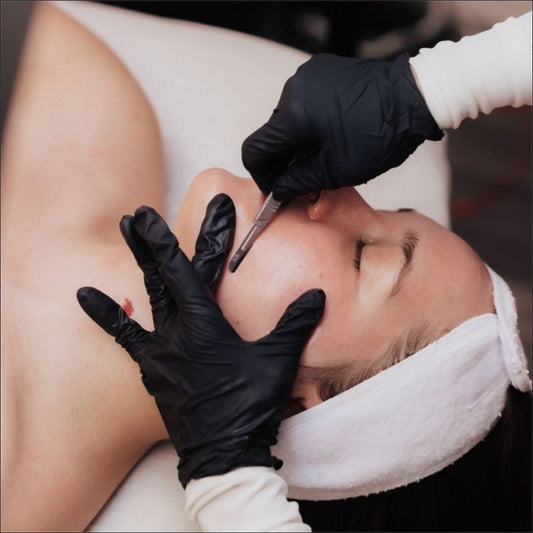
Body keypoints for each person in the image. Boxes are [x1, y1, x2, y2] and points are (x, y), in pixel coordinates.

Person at [1, 4, 530, 533]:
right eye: (390, 212)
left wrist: (231, 477)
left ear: (282, 408)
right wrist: (435, 85)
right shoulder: (95, 114)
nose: (340, 191)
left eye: (365, 254)